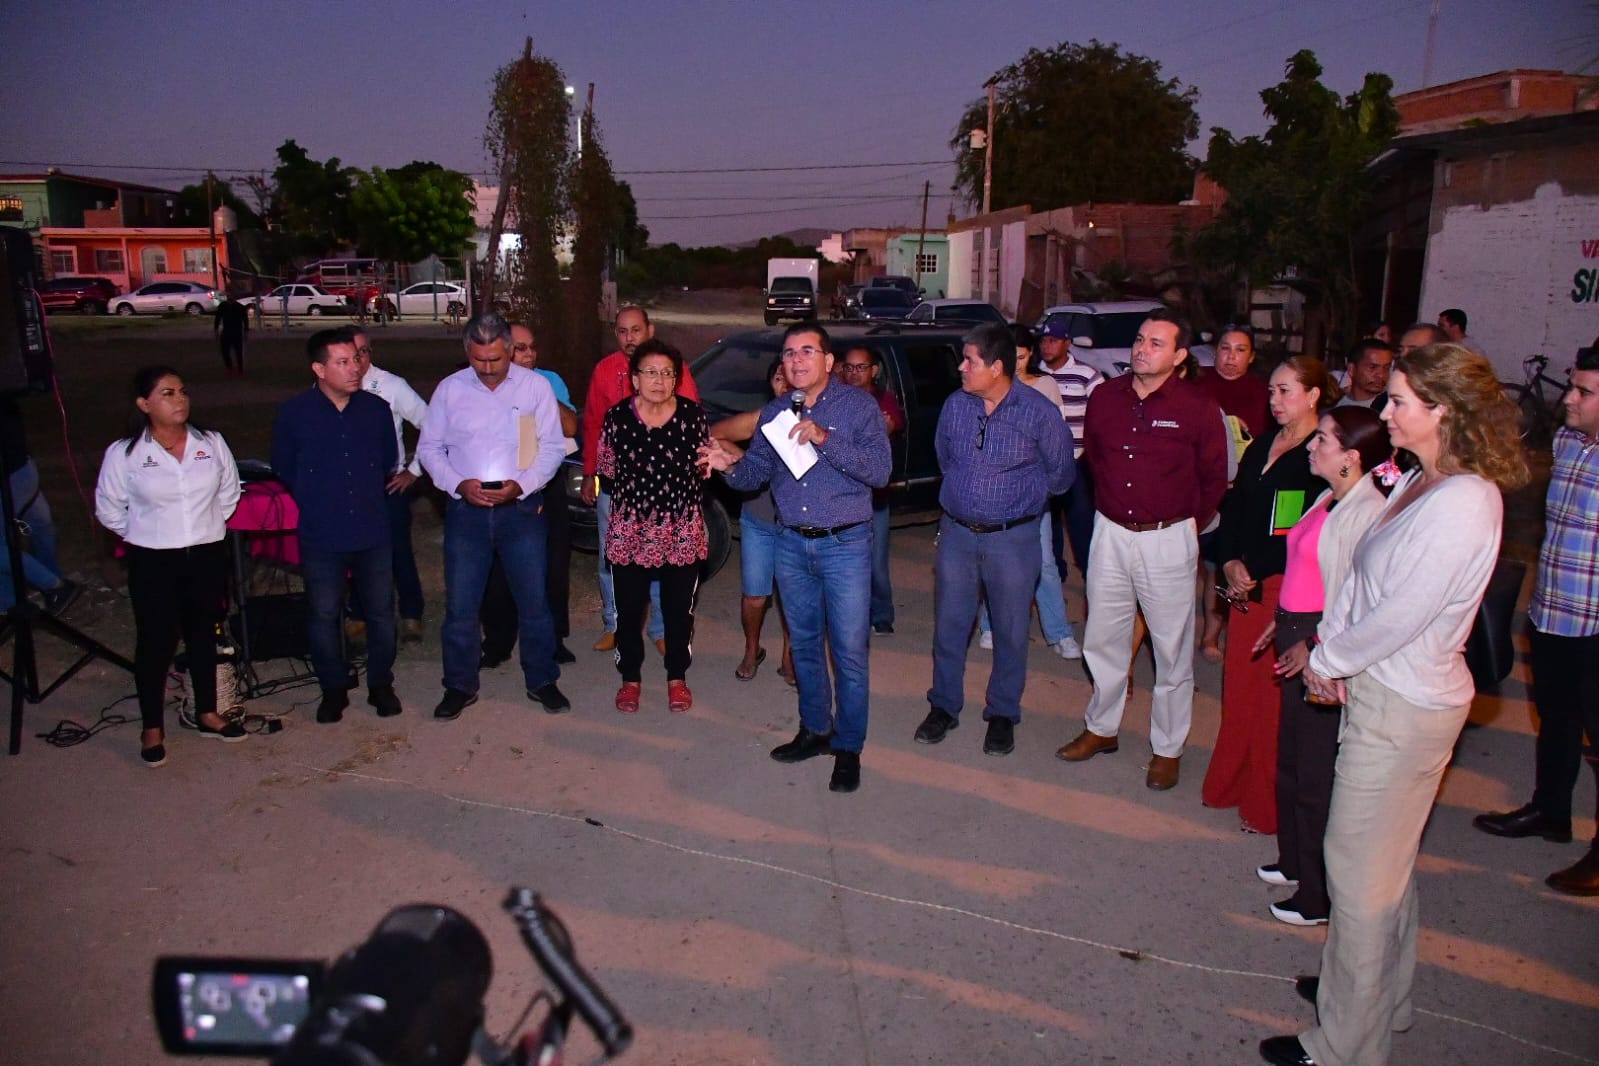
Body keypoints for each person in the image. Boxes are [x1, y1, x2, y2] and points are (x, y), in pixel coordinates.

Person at [1259, 342, 1529, 1066]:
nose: (1384, 412)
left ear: (1443, 411)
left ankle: (1344, 1043)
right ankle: (1376, 995)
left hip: (1404, 704)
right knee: (1385, 865)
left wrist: (1327, 660)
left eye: (1399, 401)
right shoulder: (1416, 478)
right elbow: (1360, 580)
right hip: (1381, 688)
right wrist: (1335, 650)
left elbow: (1404, 612)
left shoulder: (1465, 500)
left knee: (1357, 872)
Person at [698, 323, 890, 793]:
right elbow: (755, 476)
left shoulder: (858, 407)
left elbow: (880, 471)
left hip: (845, 544)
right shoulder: (776, 412)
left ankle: (848, 747)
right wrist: (729, 465)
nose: (796, 360)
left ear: (828, 361)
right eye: (788, 353)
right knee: (803, 644)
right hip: (790, 542)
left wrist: (825, 438)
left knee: (848, 652)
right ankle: (815, 730)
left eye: (807, 351)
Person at [1055, 309, 1228, 791]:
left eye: (1156, 343)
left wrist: (1183, 524)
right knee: (1103, 637)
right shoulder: (1106, 397)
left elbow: (1214, 478)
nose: (1141, 349)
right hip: (1111, 532)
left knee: (1171, 649)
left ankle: (1168, 748)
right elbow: (1094, 459)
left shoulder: (1198, 407)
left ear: (1179, 356)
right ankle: (1101, 727)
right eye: (1139, 339)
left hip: (1168, 537)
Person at [1248, 407, 1391, 927]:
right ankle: (1293, 861)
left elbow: (1356, 601)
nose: (1311, 445)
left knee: (1314, 775)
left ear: (1351, 457)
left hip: (1322, 646)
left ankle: (1317, 897)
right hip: (1297, 631)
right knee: (1291, 762)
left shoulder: (1366, 512)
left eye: (1323, 440)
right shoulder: (1331, 496)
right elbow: (1307, 571)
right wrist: (1280, 621)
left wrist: (1311, 643)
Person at [1472, 346, 1599, 896]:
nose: (1568, 398)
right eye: (1571, 385)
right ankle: (1551, 811)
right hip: (1551, 611)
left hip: (1595, 626)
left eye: (1584, 392)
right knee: (1556, 718)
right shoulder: (1569, 442)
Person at [914, 323, 1074, 757]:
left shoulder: (1039, 412)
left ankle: (1003, 712)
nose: (961, 368)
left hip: (1013, 540)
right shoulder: (956, 405)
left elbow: (1061, 476)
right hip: (958, 535)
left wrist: (1016, 500)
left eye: (970, 361)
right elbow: (945, 458)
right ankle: (943, 705)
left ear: (997, 367)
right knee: (950, 626)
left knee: (1010, 629)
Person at [1202, 357, 1335, 835]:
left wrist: (1252, 570)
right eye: (1272, 392)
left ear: (1313, 395)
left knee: (1272, 704)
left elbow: (1304, 534)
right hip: (1244, 585)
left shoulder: (1320, 456)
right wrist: (1229, 561)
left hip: (1287, 589)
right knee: (1239, 691)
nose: (1274, 401)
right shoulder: (1263, 443)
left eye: (1286, 391)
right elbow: (1235, 506)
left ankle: (1265, 803)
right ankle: (1229, 783)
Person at [418, 312, 568, 721]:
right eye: (478, 360)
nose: (487, 369)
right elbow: (429, 449)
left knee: (534, 601)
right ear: (467, 352)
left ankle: (542, 678)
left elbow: (552, 447)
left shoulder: (534, 388)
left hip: (521, 509)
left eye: (496, 360)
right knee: (461, 605)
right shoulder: (450, 390)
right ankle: (459, 685)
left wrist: (523, 484)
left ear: (510, 350)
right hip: (466, 511)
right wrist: (457, 483)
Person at [94, 366, 245, 766]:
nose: (180, 400)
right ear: (144, 404)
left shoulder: (210, 442)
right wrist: (147, 534)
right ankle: (151, 727)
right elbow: (109, 508)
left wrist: (204, 527)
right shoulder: (125, 453)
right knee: (155, 642)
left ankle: (207, 712)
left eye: (182, 391)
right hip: (153, 558)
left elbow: (229, 492)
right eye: (167, 393)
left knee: (203, 634)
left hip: (206, 554)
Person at [271, 328, 401, 724]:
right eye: (342, 362)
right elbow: (284, 466)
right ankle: (332, 688)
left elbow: (388, 461)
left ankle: (381, 684)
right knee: (324, 613)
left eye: (356, 359)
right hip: (322, 533)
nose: (355, 368)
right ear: (319, 369)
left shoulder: (376, 410)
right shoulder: (295, 414)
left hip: (372, 530)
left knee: (381, 613)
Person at [597, 339, 709, 713]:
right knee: (629, 613)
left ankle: (677, 678)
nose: (659, 381)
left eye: (667, 373)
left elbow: (704, 470)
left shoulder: (693, 417)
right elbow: (607, 472)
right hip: (630, 531)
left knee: (679, 613)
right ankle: (630, 680)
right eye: (651, 372)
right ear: (634, 379)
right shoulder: (617, 418)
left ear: (676, 379)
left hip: (680, 531)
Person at [581, 306, 700, 654]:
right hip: (616, 487)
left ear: (650, 330)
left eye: (635, 330)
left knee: (662, 557)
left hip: (662, 489)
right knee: (612, 557)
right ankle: (615, 625)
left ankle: (660, 629)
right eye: (622, 331)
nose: (629, 337)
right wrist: (590, 473)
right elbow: (593, 424)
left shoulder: (672, 369)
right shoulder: (605, 370)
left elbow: (691, 422)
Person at [976, 325, 1082, 659]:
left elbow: (1056, 439)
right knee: (996, 563)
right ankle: (990, 625)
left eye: (1021, 357)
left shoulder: (1046, 386)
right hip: (996, 492)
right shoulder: (988, 385)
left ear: (1031, 354)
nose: (1015, 364)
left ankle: (1059, 632)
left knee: (1045, 563)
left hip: (1034, 492)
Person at [481, 322, 579, 668]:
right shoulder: (487, 384)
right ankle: (498, 641)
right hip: (502, 483)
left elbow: (570, 427)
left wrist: (539, 390)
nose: (529, 354)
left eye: (532, 347)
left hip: (545, 482)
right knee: (498, 567)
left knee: (553, 563)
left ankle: (553, 638)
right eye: (521, 348)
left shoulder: (548, 381)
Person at [710, 359, 795, 685]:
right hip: (759, 518)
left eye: (790, 377)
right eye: (778, 378)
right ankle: (751, 649)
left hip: (795, 524)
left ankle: (790, 655)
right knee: (755, 596)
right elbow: (714, 434)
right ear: (770, 384)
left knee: (792, 596)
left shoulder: (814, 420)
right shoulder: (761, 419)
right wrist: (745, 462)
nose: (785, 384)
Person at [1195, 324, 1272, 661]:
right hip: (1198, 490)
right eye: (1225, 348)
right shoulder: (1197, 385)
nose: (1231, 357)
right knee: (1189, 564)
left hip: (1239, 495)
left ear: (1251, 356)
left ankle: (1211, 636)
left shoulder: (1263, 393)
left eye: (1240, 350)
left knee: (1220, 565)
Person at [350, 328, 429, 646]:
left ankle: (410, 613)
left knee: (398, 551)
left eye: (363, 351)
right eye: (351, 353)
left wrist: (414, 471)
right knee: (354, 550)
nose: (358, 360)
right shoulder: (330, 386)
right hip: (351, 488)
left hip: (388, 486)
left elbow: (431, 424)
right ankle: (359, 613)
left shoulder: (391, 386)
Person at [837, 344, 905, 635]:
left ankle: (882, 613)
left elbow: (888, 428)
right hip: (842, 496)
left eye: (861, 367)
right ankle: (852, 617)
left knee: (876, 562)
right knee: (847, 565)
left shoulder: (884, 399)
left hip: (875, 498)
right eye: (849, 367)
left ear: (874, 371)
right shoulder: (836, 399)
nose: (854, 373)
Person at [1036, 317, 1102, 577]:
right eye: (1043, 340)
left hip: (1077, 461)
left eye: (1053, 341)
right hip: (1044, 464)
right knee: (1049, 524)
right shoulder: (1035, 374)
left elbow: (1103, 417)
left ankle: (1090, 575)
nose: (1046, 346)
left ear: (1067, 344)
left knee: (1081, 521)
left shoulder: (1087, 375)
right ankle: (1055, 576)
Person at [1, 396, 78, 613]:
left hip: (11, 476)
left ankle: (54, 587)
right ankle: (19, 597)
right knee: (41, 526)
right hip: (23, 469)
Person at [1336, 339, 1393, 413]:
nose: (1381, 375)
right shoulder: (1334, 406)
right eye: (1372, 367)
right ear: (1351, 369)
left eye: (1386, 368)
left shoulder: (1392, 408)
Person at [213, 293, 249, 377]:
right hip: (227, 331)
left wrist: (246, 331)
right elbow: (218, 318)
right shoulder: (223, 306)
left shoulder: (239, 307)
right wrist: (216, 329)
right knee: (225, 351)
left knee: (238, 352)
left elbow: (245, 320)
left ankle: (240, 369)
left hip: (236, 332)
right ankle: (229, 367)